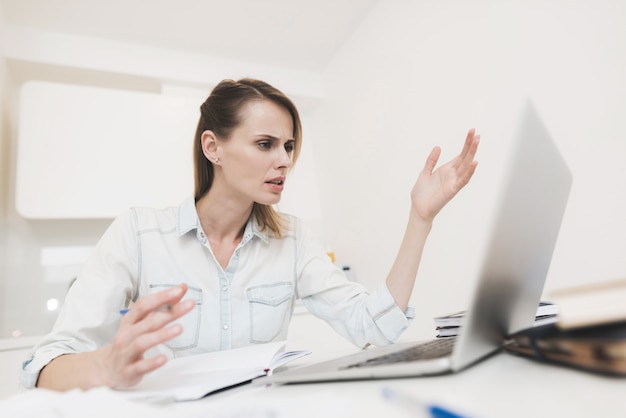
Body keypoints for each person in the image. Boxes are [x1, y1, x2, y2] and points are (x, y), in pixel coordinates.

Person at [21, 78, 480, 391]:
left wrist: (420, 219)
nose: (284, 160)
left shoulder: (294, 239)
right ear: (213, 147)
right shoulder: (139, 232)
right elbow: (44, 367)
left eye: (288, 146)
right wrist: (108, 365)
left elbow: (373, 327)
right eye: (265, 144)